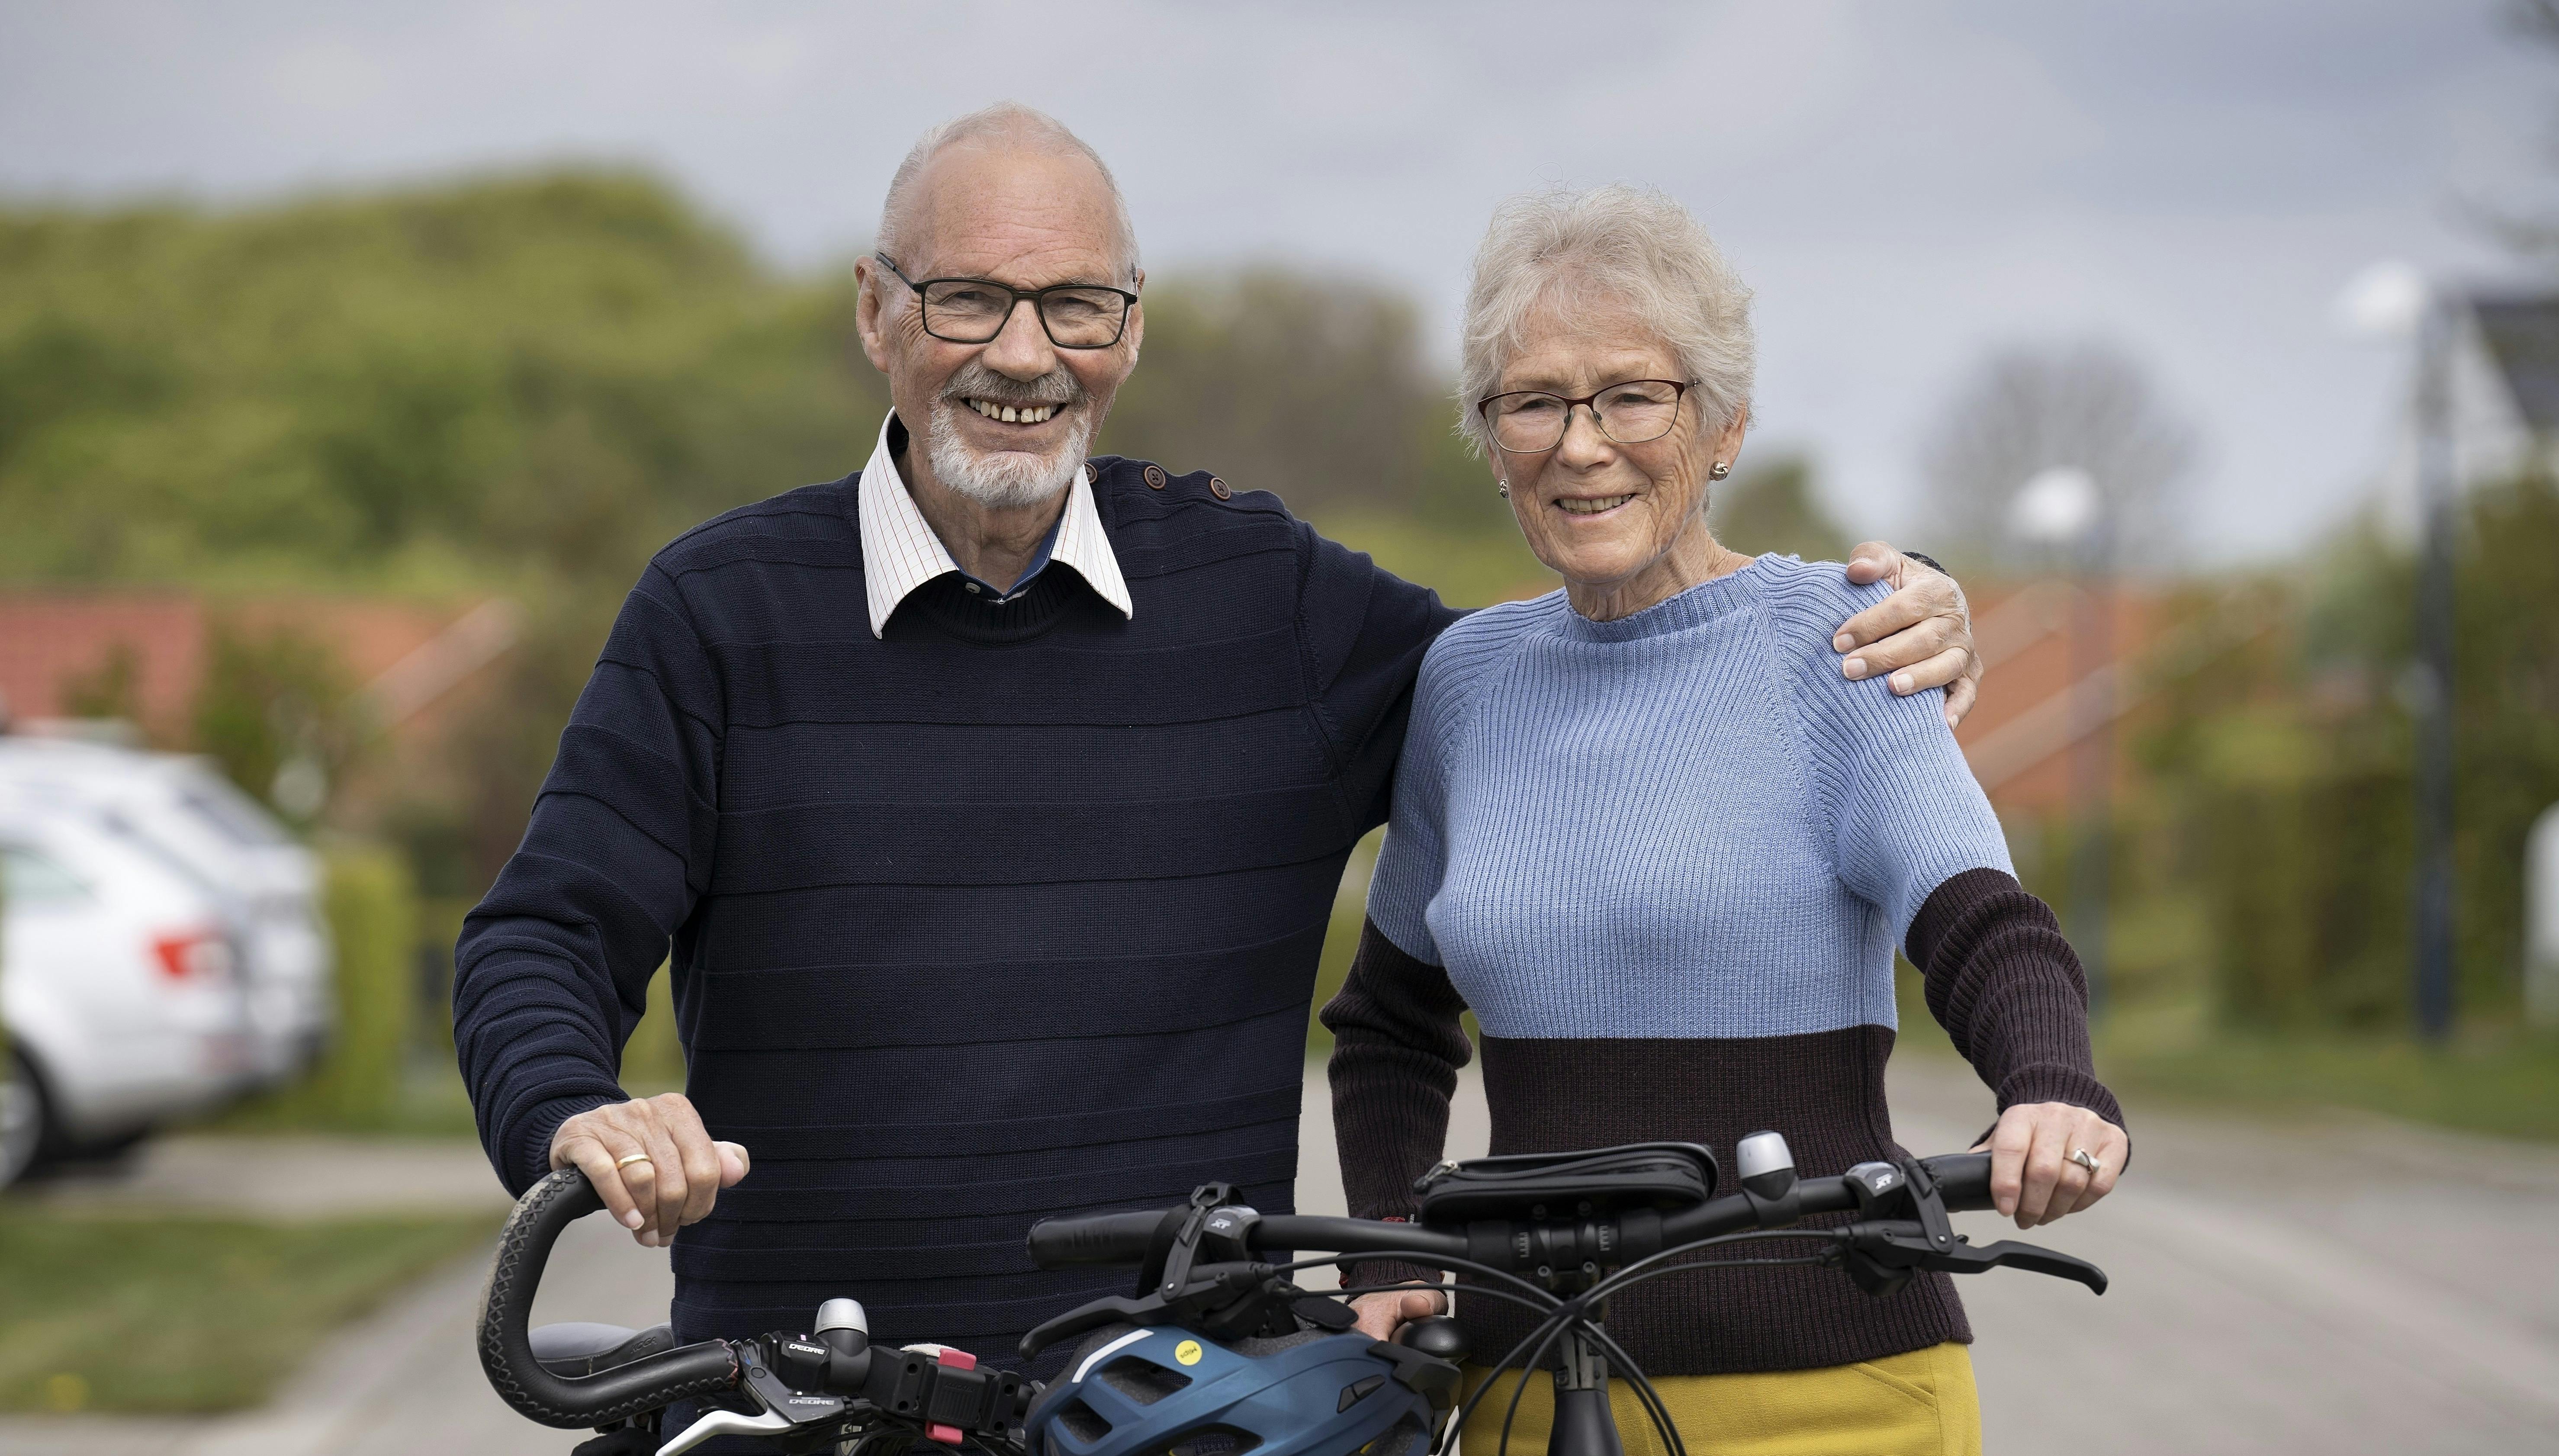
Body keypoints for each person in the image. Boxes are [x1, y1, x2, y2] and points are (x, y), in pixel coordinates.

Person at [450, 104, 1984, 1419]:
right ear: (878, 311)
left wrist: (1870, 615)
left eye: (1076, 306)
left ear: (1133, 324)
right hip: (808, 1391)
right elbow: (542, 934)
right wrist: (576, 1110)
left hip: (1194, 1409)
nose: (1025, 356)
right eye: (970, 299)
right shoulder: (721, 612)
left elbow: (1609, 667)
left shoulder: (1272, 605)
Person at [1323, 184, 2128, 1456]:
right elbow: (1390, 1024)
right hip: (1527, 1385)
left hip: (1836, 1391)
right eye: (1533, 401)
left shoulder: (1840, 645)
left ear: (1726, 427)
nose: (1581, 444)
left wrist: (2050, 1085)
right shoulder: (1465, 683)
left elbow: (1982, 921)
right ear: (1492, 442)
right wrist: (1390, 1242)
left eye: (1634, 395)